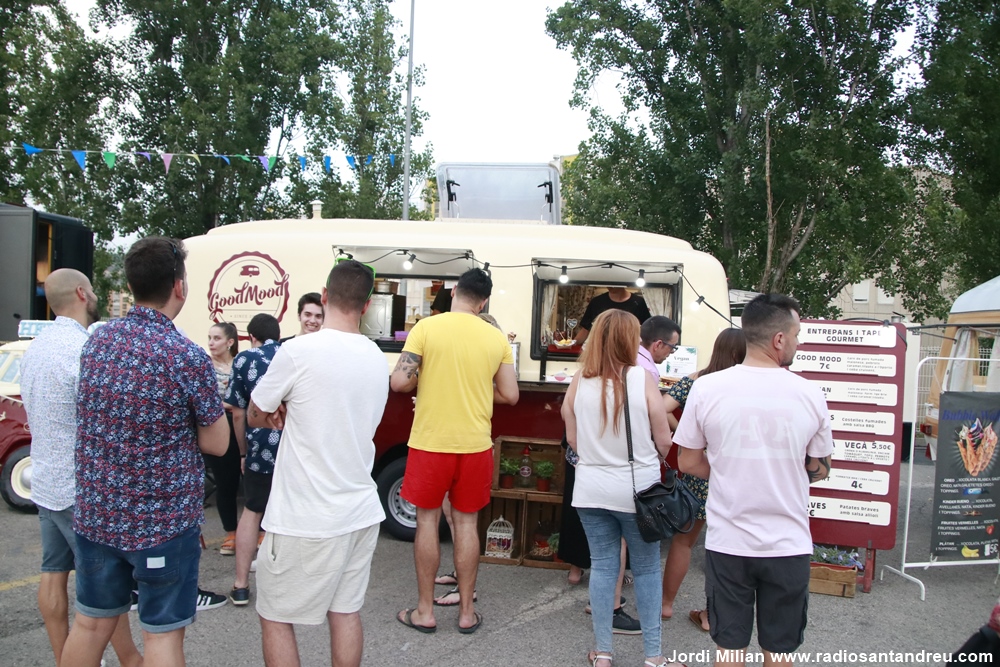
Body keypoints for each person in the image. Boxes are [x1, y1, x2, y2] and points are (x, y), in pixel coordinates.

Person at [60, 237, 230, 667]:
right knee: (162, 637)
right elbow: (217, 442)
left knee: (90, 625)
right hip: (162, 524)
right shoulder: (186, 356)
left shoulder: (97, 343)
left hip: (97, 515)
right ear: (179, 287)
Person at [675, 294, 833, 667]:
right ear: (779, 339)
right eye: (796, 334)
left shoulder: (706, 388)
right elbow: (821, 468)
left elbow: (687, 460)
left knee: (729, 647)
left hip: (729, 539)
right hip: (788, 542)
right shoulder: (810, 392)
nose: (799, 342)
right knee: (779, 651)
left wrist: (731, 468)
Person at [248, 259, 389, 667]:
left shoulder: (298, 351)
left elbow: (257, 412)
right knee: (345, 612)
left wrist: (278, 410)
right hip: (359, 508)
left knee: (274, 616)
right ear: (365, 306)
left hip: (305, 515)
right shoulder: (375, 357)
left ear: (324, 297)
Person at [19, 269, 143, 667]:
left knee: (52, 572)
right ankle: (130, 659)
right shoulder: (83, 348)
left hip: (44, 480)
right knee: (104, 587)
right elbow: (105, 417)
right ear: (80, 293)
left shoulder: (35, 348)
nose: (95, 295)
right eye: (91, 289)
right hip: (80, 487)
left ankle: (63, 657)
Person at [390, 268, 519, 635]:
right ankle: (465, 613)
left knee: (427, 521)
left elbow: (399, 382)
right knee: (466, 523)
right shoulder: (495, 338)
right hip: (475, 445)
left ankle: (425, 612)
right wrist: (478, 388)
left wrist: (426, 377)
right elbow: (510, 395)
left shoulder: (427, 329)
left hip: (430, 443)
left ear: (454, 293)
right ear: (483, 301)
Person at [562, 310, 681, 667]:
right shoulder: (640, 378)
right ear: (631, 339)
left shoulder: (580, 379)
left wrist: (599, 458)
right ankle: (654, 656)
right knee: (645, 569)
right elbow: (663, 439)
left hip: (590, 489)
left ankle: (602, 652)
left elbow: (572, 438)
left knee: (602, 567)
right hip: (637, 491)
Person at [659, 328, 746, 629]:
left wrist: (681, 427)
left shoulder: (698, 380)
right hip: (736, 475)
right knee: (724, 549)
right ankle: (712, 614)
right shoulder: (749, 385)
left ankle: (666, 604)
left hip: (698, 471)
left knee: (683, 543)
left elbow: (659, 407)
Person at [225, 314, 282, 607]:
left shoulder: (245, 360)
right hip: (294, 451)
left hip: (260, 448)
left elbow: (236, 412)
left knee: (252, 511)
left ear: (251, 337)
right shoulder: (292, 355)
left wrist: (244, 452)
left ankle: (241, 585)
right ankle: (282, 589)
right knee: (287, 516)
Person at [206, 322, 243, 556]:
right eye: (209, 338)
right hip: (218, 427)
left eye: (217, 338)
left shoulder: (241, 364)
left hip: (242, 425)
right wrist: (229, 404)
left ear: (230, 342)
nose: (211, 343)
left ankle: (257, 530)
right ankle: (231, 532)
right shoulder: (205, 366)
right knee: (225, 482)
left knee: (250, 479)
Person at [574, 286, 652, 345]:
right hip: (601, 351)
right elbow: (585, 330)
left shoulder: (639, 303)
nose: (610, 286)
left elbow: (644, 332)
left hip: (628, 351)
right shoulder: (597, 302)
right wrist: (571, 344)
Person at [636, 316, 681, 382]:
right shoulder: (649, 372)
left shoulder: (623, 357)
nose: (672, 352)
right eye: (672, 347)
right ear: (658, 344)